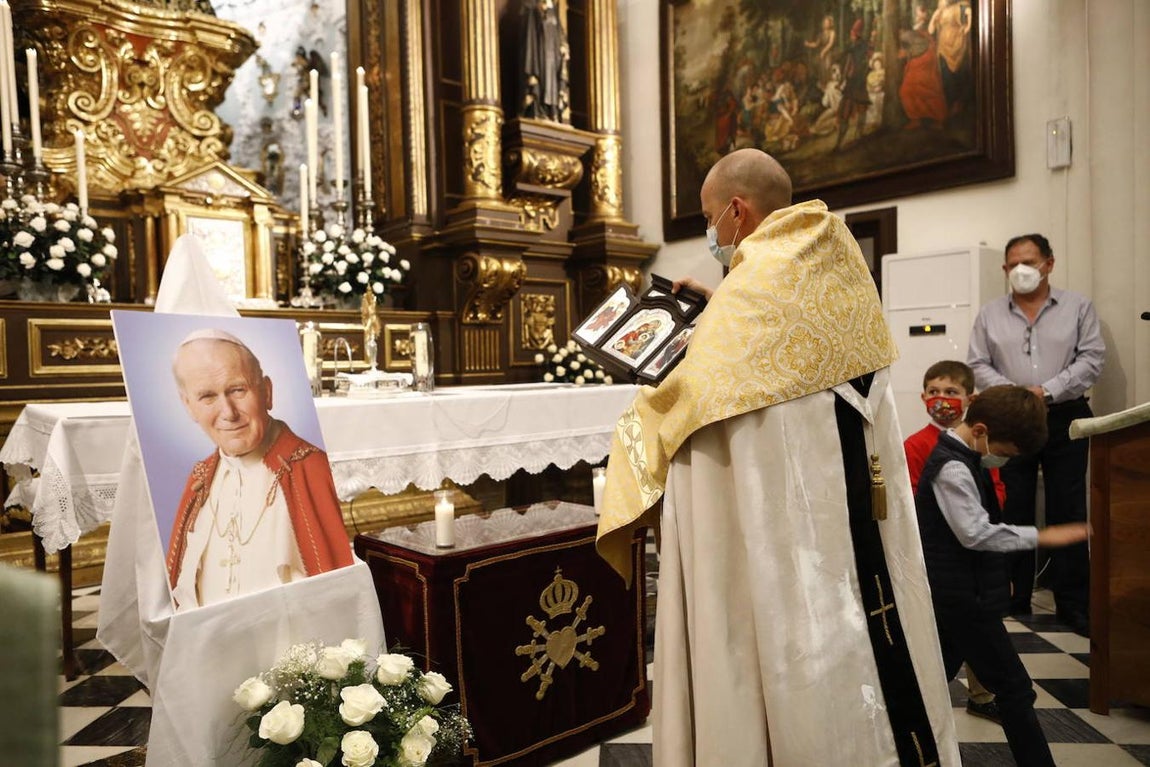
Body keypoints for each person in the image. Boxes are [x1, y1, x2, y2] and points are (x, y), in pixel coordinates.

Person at [596, 148, 961, 765]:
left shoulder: (752, 291)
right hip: (852, 521)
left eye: (711, 218)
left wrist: (641, 407)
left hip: (786, 545)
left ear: (737, 211)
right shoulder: (829, 258)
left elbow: (687, 405)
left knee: (779, 650)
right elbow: (789, 355)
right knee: (875, 640)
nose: (712, 232)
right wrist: (719, 303)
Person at [915, 385, 1088, 767]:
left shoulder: (966, 458)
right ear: (980, 430)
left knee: (930, 683)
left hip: (961, 591)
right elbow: (974, 533)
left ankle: (908, 747)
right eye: (1006, 452)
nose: (1003, 460)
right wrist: (1042, 535)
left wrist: (997, 573)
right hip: (963, 597)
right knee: (1014, 689)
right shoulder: (953, 467)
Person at [967, 233, 1105, 636]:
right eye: (1014, 264)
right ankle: (1014, 597)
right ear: (1005, 269)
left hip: (1065, 415)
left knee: (1067, 507)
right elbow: (978, 363)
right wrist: (1016, 397)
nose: (1021, 270)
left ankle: (1073, 604)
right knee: (1013, 506)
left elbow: (1092, 359)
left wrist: (1045, 391)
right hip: (1010, 419)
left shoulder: (1079, 307)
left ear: (1049, 263)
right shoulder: (990, 314)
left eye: (1030, 261)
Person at [166, 329, 353, 610]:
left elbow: (335, 598)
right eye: (207, 397)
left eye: (237, 390)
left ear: (267, 391)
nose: (228, 412)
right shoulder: (199, 479)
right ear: (189, 406)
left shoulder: (309, 467)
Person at [903, 359, 1004, 724]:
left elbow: (996, 490)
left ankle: (982, 693)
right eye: (933, 392)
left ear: (969, 398)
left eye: (951, 392)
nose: (941, 399)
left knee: (981, 622)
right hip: (938, 553)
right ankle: (926, 697)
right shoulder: (915, 445)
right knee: (944, 626)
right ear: (922, 397)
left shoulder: (979, 441)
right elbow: (911, 495)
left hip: (975, 551)